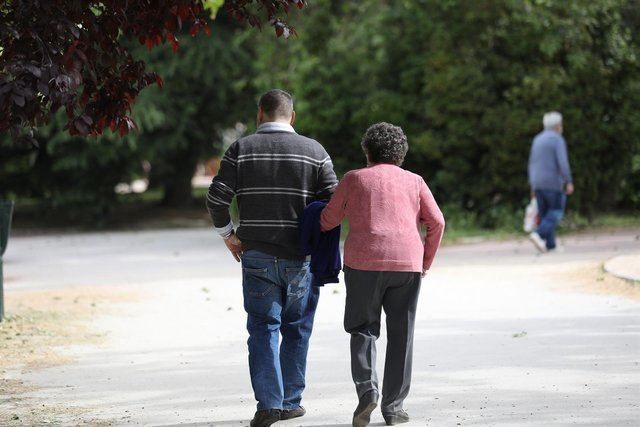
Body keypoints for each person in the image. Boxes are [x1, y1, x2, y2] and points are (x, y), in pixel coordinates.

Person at [206, 89, 338, 427]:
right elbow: (335, 205)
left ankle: (268, 404)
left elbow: (216, 198)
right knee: (297, 326)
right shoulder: (315, 152)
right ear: (292, 116)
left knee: (263, 328)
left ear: (259, 114)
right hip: (301, 258)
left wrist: (228, 235)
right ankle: (291, 402)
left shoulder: (241, 149)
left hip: (257, 255)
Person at [320, 123, 445, 427]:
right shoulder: (415, 181)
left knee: (363, 328)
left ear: (367, 151)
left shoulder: (353, 179)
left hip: (363, 264)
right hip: (407, 265)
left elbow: (328, 221)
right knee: (402, 333)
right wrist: (424, 261)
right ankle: (394, 407)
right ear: (401, 154)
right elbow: (437, 222)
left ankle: (367, 390)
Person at [527, 111, 574, 252]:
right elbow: (563, 163)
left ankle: (550, 245)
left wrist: (532, 186)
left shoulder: (537, 139)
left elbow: (532, 163)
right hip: (553, 183)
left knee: (544, 214)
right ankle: (538, 234)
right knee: (556, 211)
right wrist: (568, 181)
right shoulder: (557, 140)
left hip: (537, 182)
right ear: (558, 126)